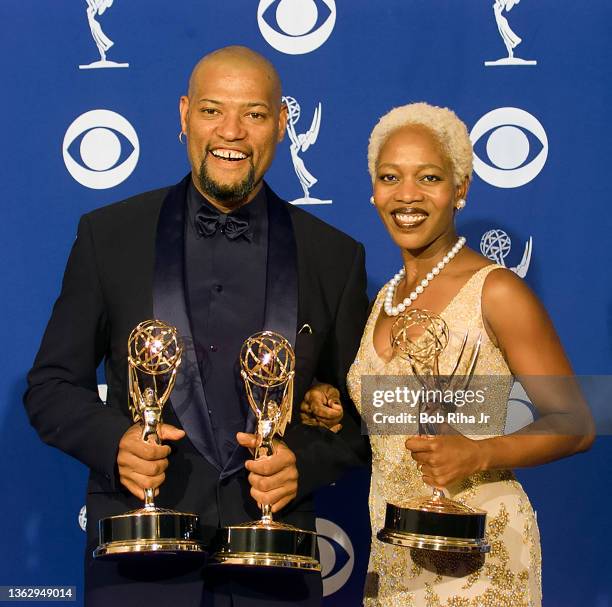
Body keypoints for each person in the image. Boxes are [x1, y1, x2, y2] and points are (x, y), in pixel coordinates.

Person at [24, 46, 369, 607]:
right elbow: (51, 386)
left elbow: (362, 414)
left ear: (282, 124)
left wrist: (303, 463)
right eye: (212, 110)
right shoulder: (109, 236)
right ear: (184, 114)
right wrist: (115, 443)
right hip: (137, 561)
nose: (230, 131)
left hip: (274, 563)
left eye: (254, 114)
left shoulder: (334, 256)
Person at [302, 102, 594, 606]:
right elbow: (393, 425)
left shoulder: (497, 291)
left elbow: (577, 422)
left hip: (480, 555)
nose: (407, 195)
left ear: (460, 190)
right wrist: (331, 409)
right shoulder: (382, 303)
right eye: (390, 177)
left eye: (429, 177)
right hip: (393, 554)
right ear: (373, 192)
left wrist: (480, 452)